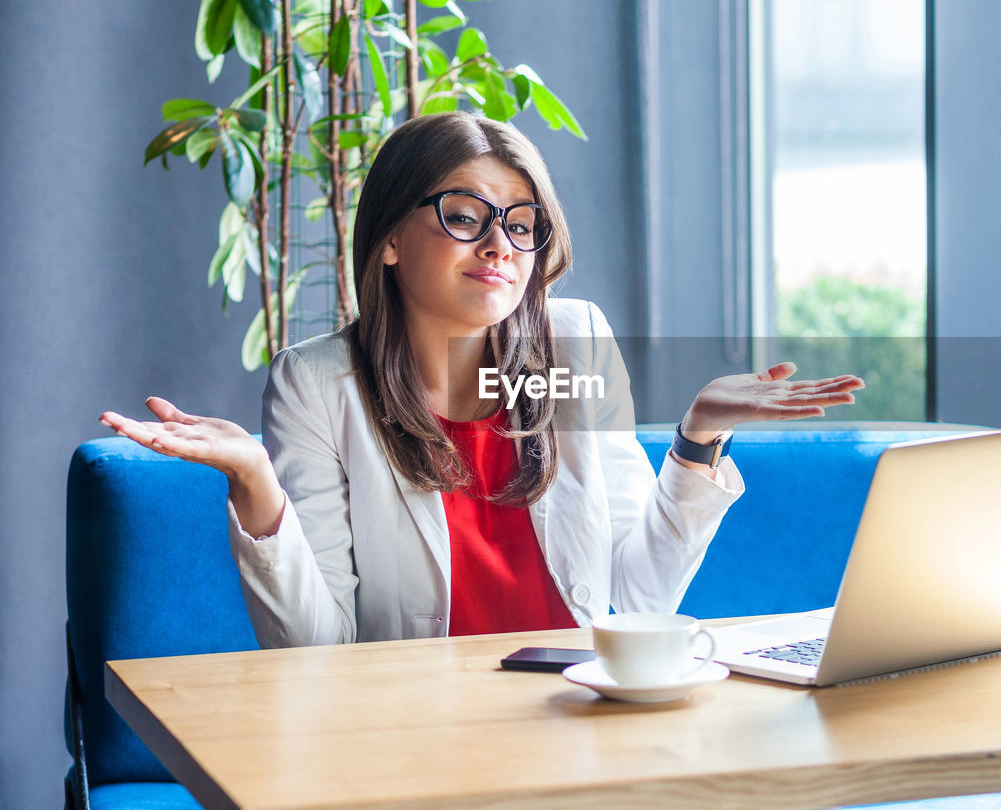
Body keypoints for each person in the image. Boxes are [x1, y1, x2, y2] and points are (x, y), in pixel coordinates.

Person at [101, 111, 863, 648]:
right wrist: (255, 485)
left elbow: (635, 601)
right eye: (465, 215)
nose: (500, 244)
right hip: (419, 739)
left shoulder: (576, 346)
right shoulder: (318, 386)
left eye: (521, 223)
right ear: (392, 238)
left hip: (578, 724)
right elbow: (316, 652)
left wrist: (697, 440)